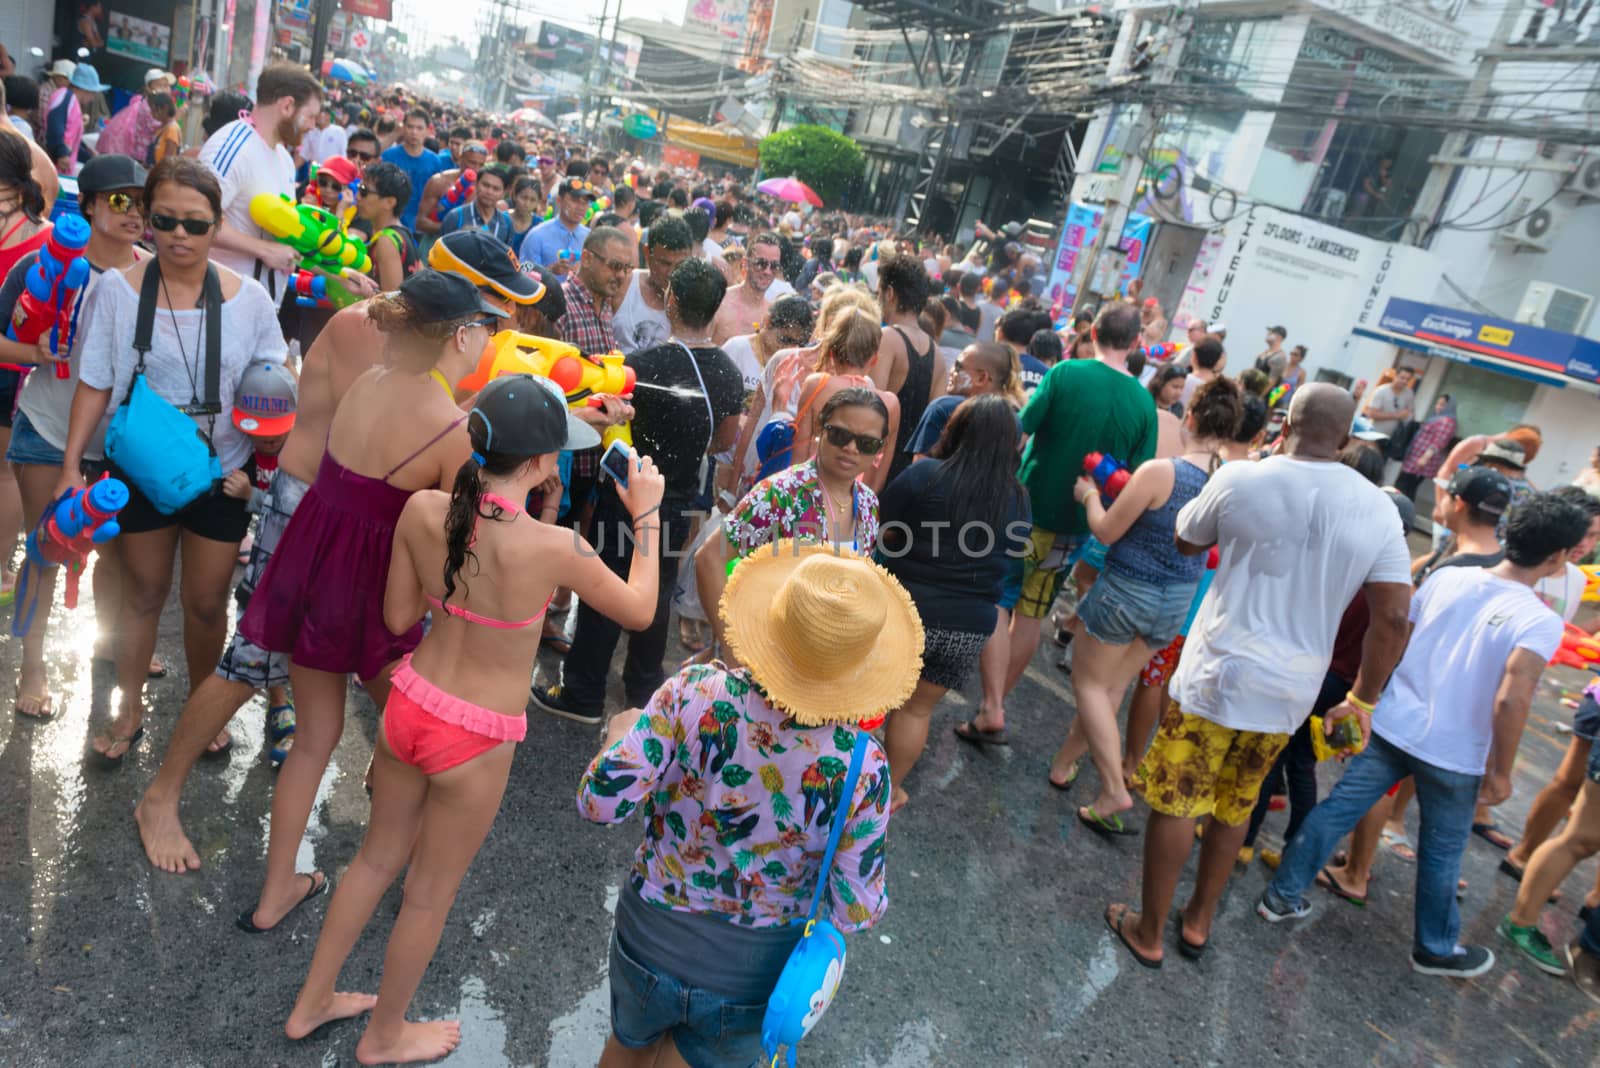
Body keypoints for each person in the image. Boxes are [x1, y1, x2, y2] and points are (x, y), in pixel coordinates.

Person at [283, 376, 660, 1064]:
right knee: (427, 896)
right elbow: (638, 608)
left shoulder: (427, 510)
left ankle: (312, 1002)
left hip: (411, 701)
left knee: (373, 862)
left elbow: (398, 619)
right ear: (546, 463)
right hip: (478, 734)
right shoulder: (551, 546)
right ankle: (385, 1035)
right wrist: (648, 517)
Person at [1106, 384, 1413, 967]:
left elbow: (1185, 537)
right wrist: (1363, 700)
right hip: (1291, 689)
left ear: (1283, 423)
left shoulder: (1242, 476)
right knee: (1236, 802)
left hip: (1218, 671)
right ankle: (1197, 923)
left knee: (1176, 801)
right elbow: (1394, 616)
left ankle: (1147, 931)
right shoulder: (1377, 507)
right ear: (1347, 440)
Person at [235, 271, 506, 931]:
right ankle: (403, 871)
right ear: (461, 337)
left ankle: (274, 894)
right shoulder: (452, 429)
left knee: (312, 743)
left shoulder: (365, 385)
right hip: (384, 598)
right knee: (417, 743)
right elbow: (456, 542)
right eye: (485, 332)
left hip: (313, 573)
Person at [579, 542, 907, 1067]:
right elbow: (857, 909)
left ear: (773, 625)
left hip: (650, 936)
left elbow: (599, 803)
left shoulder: (694, 692)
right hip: (750, 975)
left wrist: (618, 735)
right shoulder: (863, 767)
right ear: (858, 668)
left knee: (625, 1049)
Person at [1262, 493, 1587, 979]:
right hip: (1455, 754)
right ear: (1558, 556)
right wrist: (1501, 771)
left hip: (1396, 723)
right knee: (1442, 849)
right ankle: (1434, 947)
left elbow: (1398, 637)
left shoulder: (1449, 574)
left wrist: (1363, 699)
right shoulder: (1538, 620)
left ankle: (1280, 896)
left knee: (1338, 809)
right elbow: (1511, 698)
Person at [57, 157, 288, 762]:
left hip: (222, 474)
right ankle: (128, 705)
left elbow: (273, 388)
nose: (179, 235)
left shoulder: (252, 300)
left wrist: (268, 442)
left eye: (195, 223)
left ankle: (199, 707)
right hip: (139, 470)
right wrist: (68, 465)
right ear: (147, 220)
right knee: (141, 591)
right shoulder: (116, 292)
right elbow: (95, 382)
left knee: (208, 602)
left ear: (218, 225)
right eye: (165, 220)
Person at [533, 258, 744, 725]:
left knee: (604, 584)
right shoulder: (728, 372)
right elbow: (725, 441)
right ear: (717, 308)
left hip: (626, 491)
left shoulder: (641, 365)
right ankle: (644, 691)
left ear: (670, 300)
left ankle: (584, 692)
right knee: (660, 588)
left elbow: (612, 420)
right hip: (679, 495)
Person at [1046, 379, 1241, 829]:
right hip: (1176, 603)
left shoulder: (1161, 472)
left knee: (1091, 686)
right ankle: (1062, 765)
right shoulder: (1226, 483)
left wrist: (1089, 495)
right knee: (1110, 688)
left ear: (1189, 418)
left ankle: (1114, 789)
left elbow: (1108, 531)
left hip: (1127, 592)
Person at [3, 154, 149, 717]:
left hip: (120, 445)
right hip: (47, 428)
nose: (134, 212)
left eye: (142, 203)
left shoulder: (153, 275)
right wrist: (35, 350)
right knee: (43, 552)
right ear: (86, 205)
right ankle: (32, 670)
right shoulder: (47, 265)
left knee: (121, 562)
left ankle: (116, 649)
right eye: (120, 201)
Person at [1005, 303, 1159, 713]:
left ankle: (984, 696)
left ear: (1093, 335)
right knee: (1032, 613)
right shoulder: (1144, 404)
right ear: (1136, 343)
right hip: (1077, 524)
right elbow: (1139, 478)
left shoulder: (1065, 373)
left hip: (1025, 509)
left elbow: (1024, 424)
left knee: (999, 599)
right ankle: (997, 701)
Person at [880, 395, 1031, 809]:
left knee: (866, 696)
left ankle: (838, 777)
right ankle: (889, 790)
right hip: (968, 625)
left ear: (956, 430)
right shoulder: (1018, 497)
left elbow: (883, 528)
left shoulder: (926, 474)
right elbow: (1013, 552)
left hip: (905, 610)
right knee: (916, 711)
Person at [697, 386, 887, 660]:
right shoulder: (782, 493)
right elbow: (709, 559)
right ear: (821, 429)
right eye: (840, 435)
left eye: (866, 443)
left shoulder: (868, 504)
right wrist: (733, 645)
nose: (851, 448)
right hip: (764, 653)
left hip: (820, 660)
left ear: (879, 449)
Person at [199, 62, 323, 304]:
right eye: (310, 116)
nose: (312, 126)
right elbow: (197, 220)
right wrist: (262, 250)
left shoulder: (285, 159)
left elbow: (284, 242)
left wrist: (338, 275)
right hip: (219, 306)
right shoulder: (232, 147)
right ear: (287, 106)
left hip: (260, 310)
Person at [877, 257, 944, 483]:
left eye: (879, 293)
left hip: (878, 465)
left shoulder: (888, 339)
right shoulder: (938, 354)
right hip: (910, 474)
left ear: (890, 293)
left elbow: (870, 405)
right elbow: (935, 425)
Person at [905, 341, 1023, 462]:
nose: (951, 371)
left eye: (958, 366)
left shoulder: (943, 407)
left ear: (982, 378)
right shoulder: (1015, 422)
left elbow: (919, 469)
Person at [611, 214, 692, 355]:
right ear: (647, 253)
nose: (671, 273)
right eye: (664, 263)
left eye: (680, 264)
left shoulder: (691, 301)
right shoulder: (623, 284)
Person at [710, 230, 782, 344]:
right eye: (761, 263)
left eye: (774, 266)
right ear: (745, 263)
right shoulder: (720, 302)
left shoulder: (772, 315)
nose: (767, 271)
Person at [357, 160, 419, 290]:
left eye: (364, 191)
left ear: (389, 202)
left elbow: (389, 303)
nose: (357, 197)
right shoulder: (402, 233)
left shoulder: (387, 242)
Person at [379, 109, 444, 232]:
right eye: (410, 127)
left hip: (420, 227)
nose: (414, 132)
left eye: (419, 128)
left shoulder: (435, 161)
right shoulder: (389, 156)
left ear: (428, 131)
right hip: (390, 225)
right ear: (403, 128)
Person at [519, 175, 595, 272]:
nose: (581, 207)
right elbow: (524, 275)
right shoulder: (537, 235)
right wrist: (550, 271)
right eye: (575, 200)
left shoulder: (590, 238)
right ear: (559, 200)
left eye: (585, 202)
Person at [1395, 394, 1456, 501]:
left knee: (1404, 487)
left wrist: (1425, 458)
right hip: (1415, 457)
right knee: (1406, 487)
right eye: (1437, 404)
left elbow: (1439, 442)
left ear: (1449, 407)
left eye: (1442, 405)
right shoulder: (1437, 418)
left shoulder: (1447, 421)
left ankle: (1401, 511)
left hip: (1421, 461)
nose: (1438, 407)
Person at [438, 163, 513, 244]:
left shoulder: (506, 223)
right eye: (485, 185)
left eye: (496, 189)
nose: (489, 192)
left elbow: (506, 254)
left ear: (503, 193)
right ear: (476, 184)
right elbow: (443, 250)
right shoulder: (456, 216)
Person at [1361, 365, 1416, 438]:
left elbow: (1411, 414)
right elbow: (1371, 414)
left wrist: (1408, 417)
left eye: (1408, 379)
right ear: (1395, 376)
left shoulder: (1409, 394)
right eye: (1402, 378)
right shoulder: (1381, 391)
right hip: (1374, 434)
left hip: (1395, 439)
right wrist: (1397, 415)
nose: (1404, 381)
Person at [507, 174, 542, 251]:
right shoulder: (503, 219)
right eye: (524, 198)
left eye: (532, 200)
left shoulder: (539, 225)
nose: (527, 204)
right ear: (515, 196)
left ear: (537, 202)